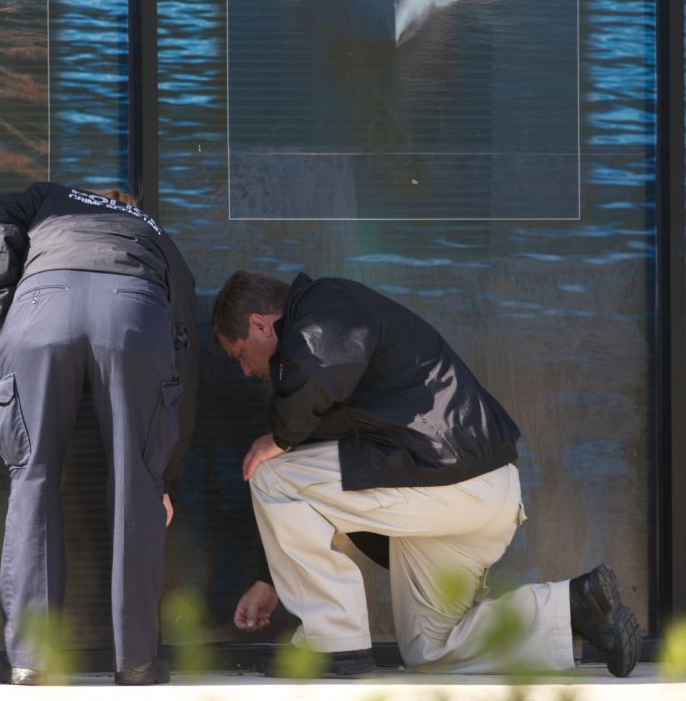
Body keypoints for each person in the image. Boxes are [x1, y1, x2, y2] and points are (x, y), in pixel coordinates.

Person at [212, 270, 641, 678]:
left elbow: (312, 385)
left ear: (260, 324)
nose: (245, 371)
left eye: (239, 355)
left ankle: (334, 641)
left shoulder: (325, 307)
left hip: (449, 479)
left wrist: (279, 439)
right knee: (431, 647)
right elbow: (311, 493)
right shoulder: (318, 354)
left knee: (271, 473)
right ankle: (575, 610)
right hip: (469, 492)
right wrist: (270, 579)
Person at [0, 182, 198, 686]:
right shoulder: (150, 228)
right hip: (135, 310)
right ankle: (136, 662)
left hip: (42, 303)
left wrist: (0, 321)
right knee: (137, 482)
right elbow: (183, 333)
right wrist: (164, 474)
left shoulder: (47, 196)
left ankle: (29, 659)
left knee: (33, 477)